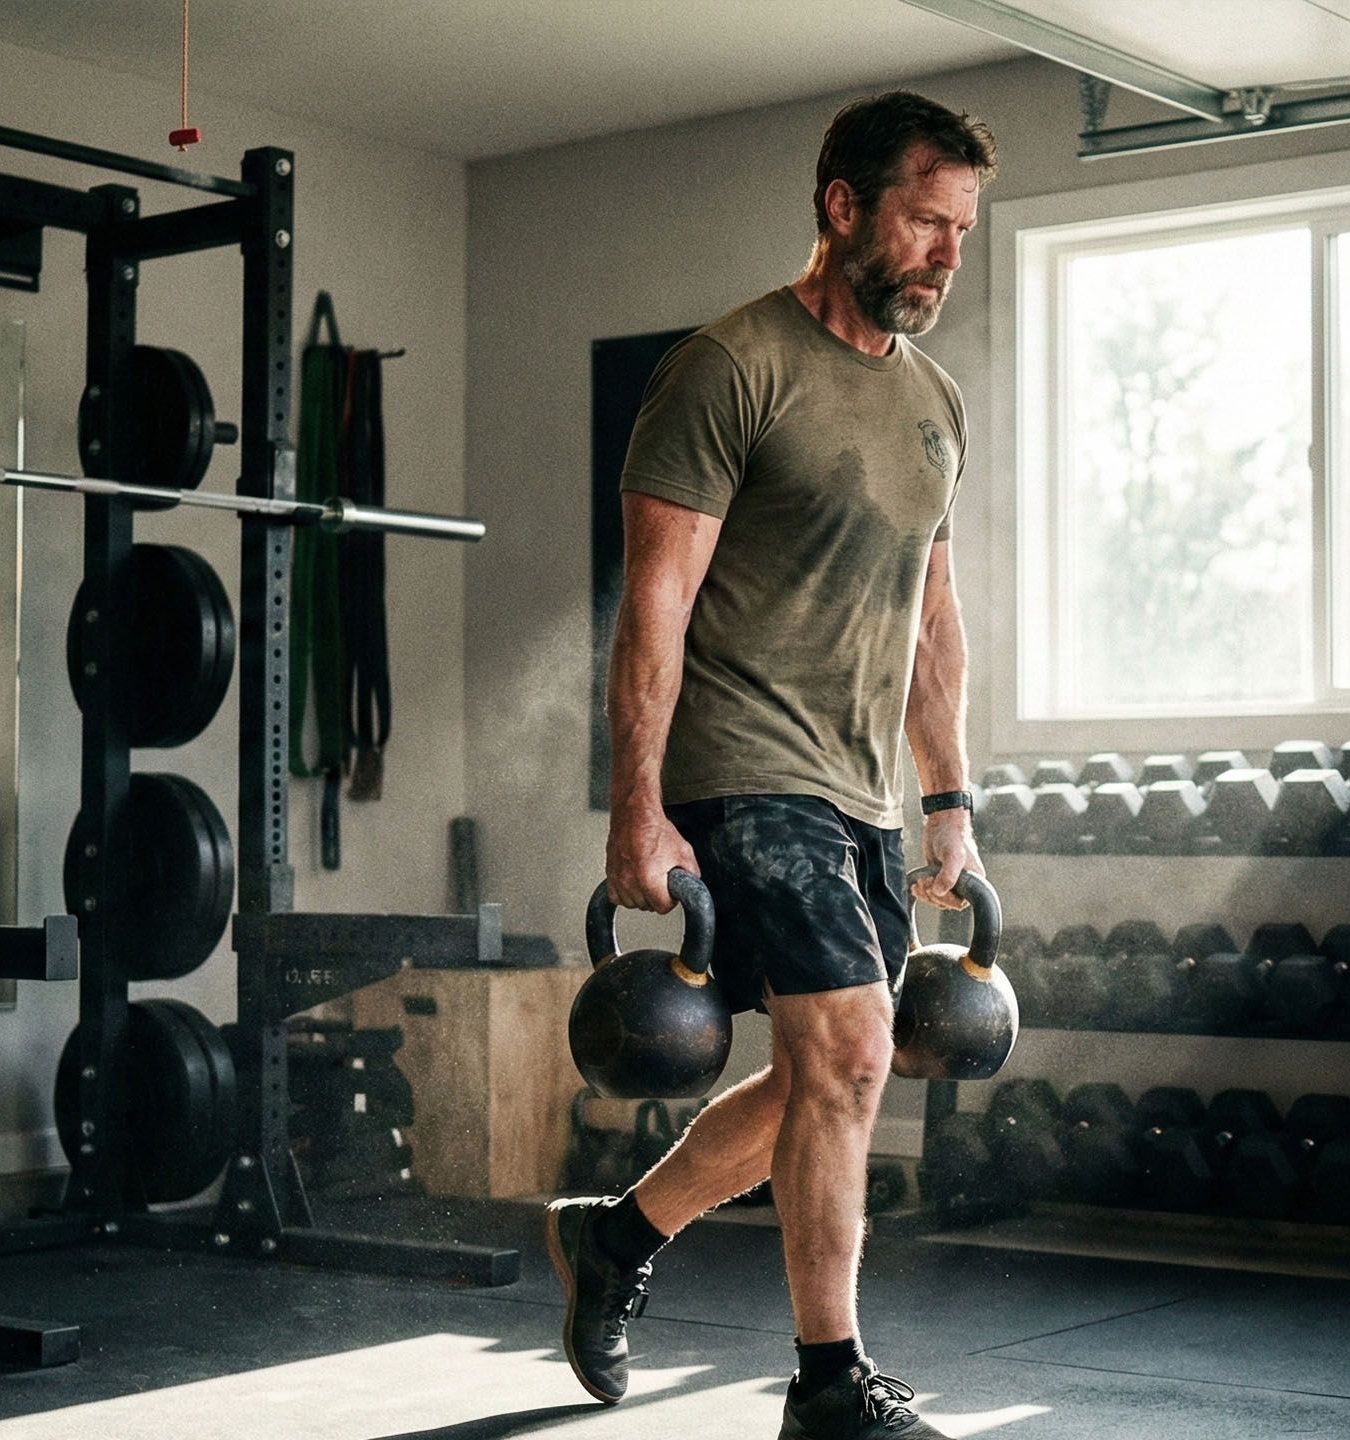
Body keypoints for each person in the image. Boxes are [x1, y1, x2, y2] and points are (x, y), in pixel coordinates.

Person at [548, 91, 997, 1440]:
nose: (945, 255)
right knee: (851, 1050)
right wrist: (634, 810)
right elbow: (655, 603)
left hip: (862, 790)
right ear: (842, 205)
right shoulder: (728, 368)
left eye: (962, 231)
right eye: (925, 221)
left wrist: (950, 800)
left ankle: (617, 1235)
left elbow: (932, 618)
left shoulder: (935, 405)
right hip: (743, 766)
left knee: (827, 1075)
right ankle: (827, 1385)